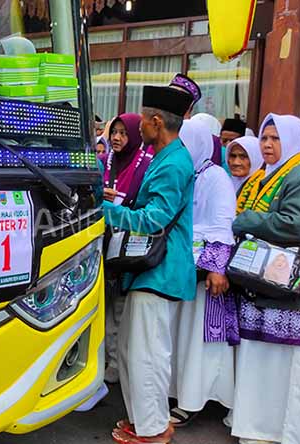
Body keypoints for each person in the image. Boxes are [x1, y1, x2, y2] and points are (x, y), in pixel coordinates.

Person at [231, 114, 300, 444]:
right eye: (264, 138)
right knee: (259, 359)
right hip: (264, 281)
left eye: (275, 138)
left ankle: (280, 433)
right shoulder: (266, 174)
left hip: (291, 287)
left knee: (282, 365)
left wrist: (247, 220)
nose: (268, 144)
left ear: (292, 141)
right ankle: (255, 429)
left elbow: (298, 224)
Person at [106, 84, 196, 444]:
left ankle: (154, 428)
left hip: (161, 270)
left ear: (157, 122)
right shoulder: (166, 156)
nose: (139, 125)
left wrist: (104, 210)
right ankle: (144, 421)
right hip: (150, 272)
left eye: (143, 119)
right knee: (134, 350)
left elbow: (155, 219)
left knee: (148, 353)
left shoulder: (173, 163)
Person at [169, 119, 237, 428]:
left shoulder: (216, 176)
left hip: (204, 273)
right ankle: (177, 391)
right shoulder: (186, 172)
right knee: (180, 334)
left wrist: (216, 268)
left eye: (184, 144)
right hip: (180, 266)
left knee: (197, 337)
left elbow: (223, 224)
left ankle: (192, 400)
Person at [101, 113, 152, 385]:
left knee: (120, 310)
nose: (117, 138)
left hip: (128, 247)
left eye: (123, 133)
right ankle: (104, 358)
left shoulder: (146, 166)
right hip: (102, 242)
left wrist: (119, 206)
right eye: (114, 132)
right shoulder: (104, 161)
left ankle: (117, 363)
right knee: (103, 306)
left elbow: (146, 207)